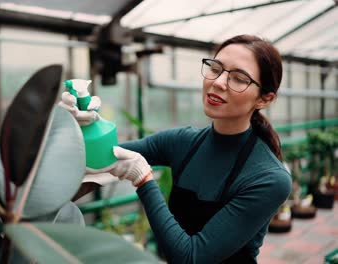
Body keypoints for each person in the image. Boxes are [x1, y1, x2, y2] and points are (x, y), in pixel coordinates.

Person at [59, 34, 292, 263]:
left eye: (239, 78)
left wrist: (144, 180)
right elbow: (106, 158)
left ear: (264, 99)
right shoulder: (182, 142)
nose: (219, 82)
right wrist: (80, 128)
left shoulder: (269, 178)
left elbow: (191, 257)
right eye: (216, 68)